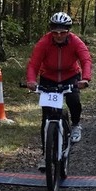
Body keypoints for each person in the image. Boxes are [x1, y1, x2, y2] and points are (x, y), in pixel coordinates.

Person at [26, 12, 92, 162]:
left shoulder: (76, 42)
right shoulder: (44, 42)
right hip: (48, 77)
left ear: (68, 31)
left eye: (63, 32)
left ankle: (76, 125)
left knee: (73, 100)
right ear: (51, 31)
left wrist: (85, 79)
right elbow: (34, 64)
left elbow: (86, 60)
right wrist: (31, 80)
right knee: (46, 116)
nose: (59, 35)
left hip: (71, 76)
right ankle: (46, 156)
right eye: (55, 32)